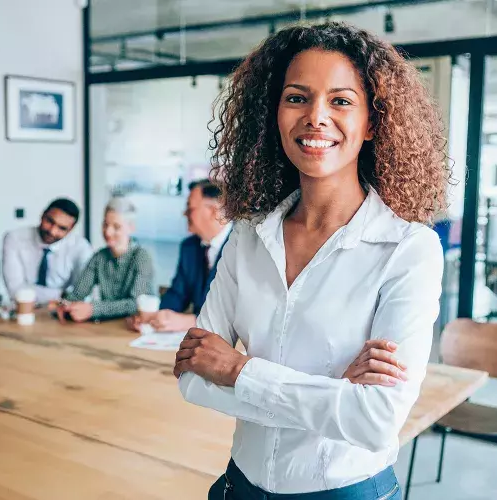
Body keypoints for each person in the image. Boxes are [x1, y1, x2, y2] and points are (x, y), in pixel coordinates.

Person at [174, 23, 448, 499]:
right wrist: (332, 393)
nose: (316, 117)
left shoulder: (408, 249)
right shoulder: (248, 234)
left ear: (372, 122)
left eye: (340, 101)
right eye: (297, 98)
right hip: (239, 487)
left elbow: (376, 421)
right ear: (273, 113)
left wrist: (239, 372)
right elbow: (194, 378)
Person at [127, 179, 232, 333]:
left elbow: (240, 313)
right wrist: (154, 317)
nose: (184, 213)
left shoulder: (242, 247)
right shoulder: (189, 247)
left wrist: (191, 321)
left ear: (213, 211)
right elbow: (177, 294)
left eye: (190, 208)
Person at [57, 197, 155, 322]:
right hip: (107, 328)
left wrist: (93, 309)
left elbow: (135, 303)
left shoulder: (142, 257)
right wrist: (66, 304)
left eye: (116, 227)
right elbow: (77, 294)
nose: (108, 232)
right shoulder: (99, 257)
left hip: (136, 328)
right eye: (105, 225)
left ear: (131, 228)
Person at [2, 198, 93, 304]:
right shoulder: (14, 238)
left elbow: (84, 292)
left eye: (62, 228)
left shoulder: (81, 247)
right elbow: (15, 290)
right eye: (50, 221)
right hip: (24, 309)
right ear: (42, 215)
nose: (52, 231)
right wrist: (64, 295)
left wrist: (28, 292)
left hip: (64, 312)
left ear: (71, 229)